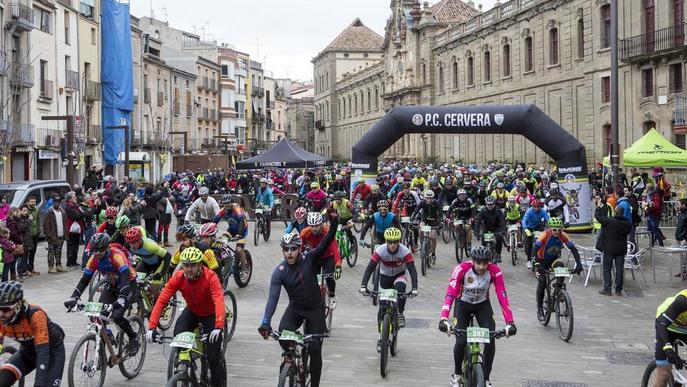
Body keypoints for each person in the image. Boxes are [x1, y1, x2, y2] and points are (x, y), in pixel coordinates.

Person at [258, 212, 340, 387]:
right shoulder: (279, 272)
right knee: (282, 336)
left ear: (299, 249)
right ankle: (292, 361)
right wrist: (265, 321)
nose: (289, 253)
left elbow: (326, 242)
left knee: (315, 350)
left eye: (293, 249)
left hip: (315, 309)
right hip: (295, 309)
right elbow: (272, 299)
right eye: (286, 249)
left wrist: (334, 224)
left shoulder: (309, 259)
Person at [147, 246, 226, 387]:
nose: (189, 269)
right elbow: (162, 300)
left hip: (211, 315)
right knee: (178, 335)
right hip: (193, 311)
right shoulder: (178, 277)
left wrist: (219, 325)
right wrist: (152, 327)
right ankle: (185, 366)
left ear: (200, 265)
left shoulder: (210, 277)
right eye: (185, 265)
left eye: (193, 265)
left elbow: (219, 299)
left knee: (213, 357)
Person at [438, 246, 516, 387]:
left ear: (489, 262)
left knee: (491, 340)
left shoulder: (494, 271)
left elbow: (502, 295)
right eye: (478, 263)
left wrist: (510, 322)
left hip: (482, 305)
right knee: (461, 342)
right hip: (463, 304)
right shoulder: (461, 269)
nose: (481, 267)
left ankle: (485, 379)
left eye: (485, 263)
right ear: (472, 261)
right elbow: (450, 293)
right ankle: (456, 375)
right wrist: (444, 318)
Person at [64, 233, 141, 356]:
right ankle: (102, 354)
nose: (97, 253)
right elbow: (85, 280)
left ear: (107, 248)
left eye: (100, 250)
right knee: (97, 316)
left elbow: (125, 277)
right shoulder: (93, 259)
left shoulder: (117, 256)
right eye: (95, 250)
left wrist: (121, 298)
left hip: (128, 284)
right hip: (112, 285)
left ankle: (133, 337)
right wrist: (74, 297)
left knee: (117, 315)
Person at [0, 281, 65, 387]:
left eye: (5, 309)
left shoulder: (36, 316)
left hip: (51, 352)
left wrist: (38, 383)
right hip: (28, 353)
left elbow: (43, 354)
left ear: (18, 305)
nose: (1, 314)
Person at [360, 227, 418, 340]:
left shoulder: (405, 251)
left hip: (399, 275)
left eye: (395, 242)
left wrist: (415, 288)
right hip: (385, 277)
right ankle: (380, 336)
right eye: (390, 242)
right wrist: (363, 285)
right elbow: (370, 268)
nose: (392, 245)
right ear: (386, 241)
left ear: (399, 241)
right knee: (382, 308)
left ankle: (400, 313)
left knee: (401, 288)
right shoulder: (380, 250)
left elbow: (412, 270)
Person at [530, 218, 583, 316]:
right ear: (550, 228)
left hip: (553, 259)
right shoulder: (545, 235)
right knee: (542, 282)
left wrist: (579, 264)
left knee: (561, 268)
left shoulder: (563, 235)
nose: (557, 232)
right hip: (541, 260)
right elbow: (535, 248)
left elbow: (573, 249)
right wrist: (536, 264)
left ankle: (558, 290)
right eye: (554, 229)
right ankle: (540, 307)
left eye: (559, 229)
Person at [300, 212, 341, 309]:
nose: (314, 229)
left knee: (329, 277)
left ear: (321, 224)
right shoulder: (305, 233)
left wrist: (338, 265)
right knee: (311, 278)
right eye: (312, 226)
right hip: (315, 258)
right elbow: (300, 248)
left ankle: (332, 295)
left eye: (317, 226)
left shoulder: (327, 231)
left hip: (328, 257)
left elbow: (335, 249)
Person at [595, 205, 632, 296]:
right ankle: (618, 290)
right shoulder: (628, 223)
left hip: (609, 249)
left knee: (607, 269)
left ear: (615, 212)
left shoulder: (610, 221)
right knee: (619, 270)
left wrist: (598, 207)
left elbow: (598, 217)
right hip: (620, 249)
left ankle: (607, 289)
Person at [653, 289, 687, 386]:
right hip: (666, 326)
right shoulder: (683, 301)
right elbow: (661, 324)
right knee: (664, 373)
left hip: (684, 329)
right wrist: (668, 349)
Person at [474, 196, 506, 263]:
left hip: (496, 228)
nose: (490, 206)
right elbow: (478, 220)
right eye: (488, 204)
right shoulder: (483, 210)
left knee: (499, 238)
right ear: (486, 204)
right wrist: (476, 231)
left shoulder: (498, 210)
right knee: (483, 242)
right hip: (486, 228)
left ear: (494, 204)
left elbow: (502, 220)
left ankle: (498, 254)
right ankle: (484, 257)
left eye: (491, 204)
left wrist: (503, 230)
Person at [521, 199, 550, 269]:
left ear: (540, 206)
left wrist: (550, 227)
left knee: (542, 242)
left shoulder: (542, 211)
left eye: (538, 207)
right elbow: (524, 220)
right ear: (533, 207)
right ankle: (528, 260)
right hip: (529, 227)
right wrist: (525, 229)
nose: (537, 208)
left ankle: (543, 258)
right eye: (535, 207)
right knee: (529, 243)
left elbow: (548, 219)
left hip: (538, 227)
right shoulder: (529, 211)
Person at [413, 189, 441, 260]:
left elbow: (440, 213)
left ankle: (433, 253)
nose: (428, 200)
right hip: (424, 218)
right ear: (425, 197)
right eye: (427, 198)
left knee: (433, 237)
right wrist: (412, 218)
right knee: (421, 228)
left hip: (433, 219)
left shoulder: (436, 203)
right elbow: (416, 211)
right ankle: (422, 245)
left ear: (433, 198)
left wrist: (441, 221)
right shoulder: (422, 202)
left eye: (430, 198)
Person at [64, 192, 84, 268]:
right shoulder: (68, 208)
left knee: (76, 246)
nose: (75, 198)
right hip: (71, 230)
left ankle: (74, 261)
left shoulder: (76, 206)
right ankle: (69, 262)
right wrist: (79, 213)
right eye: (73, 197)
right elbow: (77, 216)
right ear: (69, 199)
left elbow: (82, 214)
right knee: (71, 246)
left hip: (77, 230)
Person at [24, 196, 40, 277]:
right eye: (32, 202)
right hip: (28, 236)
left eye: (34, 202)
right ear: (28, 202)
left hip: (35, 234)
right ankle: (26, 270)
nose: (33, 203)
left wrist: (38, 231)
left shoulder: (36, 209)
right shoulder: (25, 210)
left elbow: (38, 221)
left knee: (33, 252)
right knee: (26, 253)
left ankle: (31, 268)